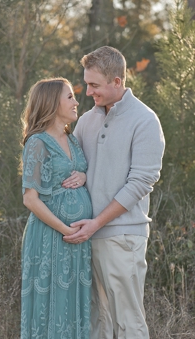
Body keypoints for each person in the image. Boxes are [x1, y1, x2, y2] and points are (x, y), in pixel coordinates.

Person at [63, 46, 165, 339]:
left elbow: (141, 182)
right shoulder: (85, 121)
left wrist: (98, 222)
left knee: (128, 322)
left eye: (94, 85)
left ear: (117, 81)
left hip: (123, 237)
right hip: (87, 236)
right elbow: (79, 164)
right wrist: (82, 173)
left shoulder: (145, 121)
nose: (87, 92)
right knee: (98, 324)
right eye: (86, 84)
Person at [20, 78, 93, 338]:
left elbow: (80, 172)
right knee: (51, 307)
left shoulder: (72, 139)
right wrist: (66, 230)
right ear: (52, 102)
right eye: (70, 97)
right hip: (51, 237)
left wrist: (83, 177)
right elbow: (30, 198)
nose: (76, 102)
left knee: (73, 306)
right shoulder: (37, 142)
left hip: (78, 239)